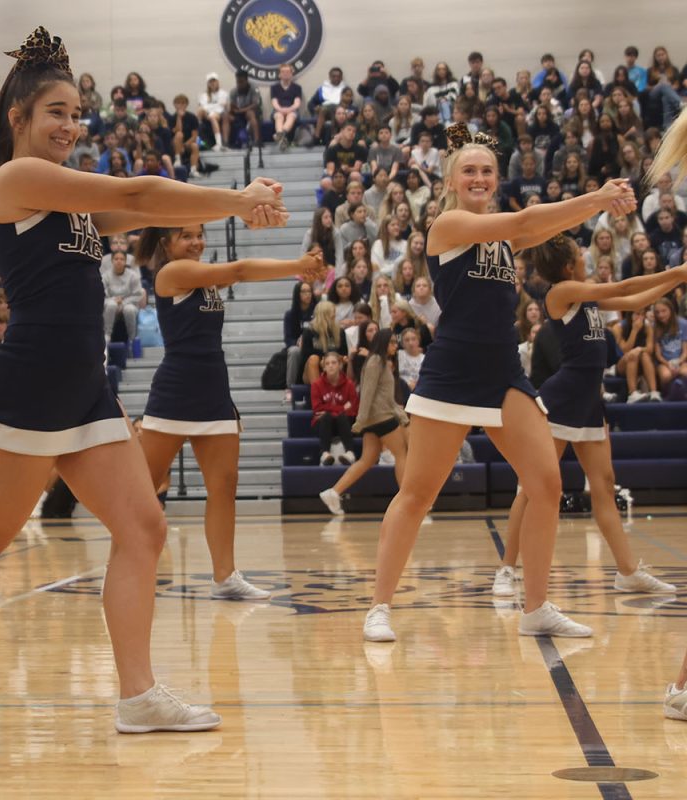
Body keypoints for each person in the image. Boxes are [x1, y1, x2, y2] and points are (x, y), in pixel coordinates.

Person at [0, 27, 286, 739]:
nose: (71, 126)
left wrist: (233, 208)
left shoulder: (70, 201)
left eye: (77, 114)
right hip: (27, 391)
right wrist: (236, 196)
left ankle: (138, 694)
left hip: (85, 389)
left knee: (143, 529)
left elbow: (147, 210)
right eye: (57, 112)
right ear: (19, 117)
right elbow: (138, 189)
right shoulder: (14, 181)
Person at [363, 123, 637, 643]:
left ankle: (536, 606)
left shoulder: (503, 235)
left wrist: (601, 206)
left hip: (504, 374)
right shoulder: (448, 224)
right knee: (418, 493)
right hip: (452, 372)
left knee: (547, 484)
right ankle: (379, 606)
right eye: (469, 170)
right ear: (451, 179)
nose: (480, 177)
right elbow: (533, 217)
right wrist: (598, 194)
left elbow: (539, 227)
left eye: (488, 171)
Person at [137, 223, 323, 596]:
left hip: (214, 391)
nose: (196, 241)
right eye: (185, 235)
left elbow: (232, 278)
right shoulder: (173, 273)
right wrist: (296, 265)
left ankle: (225, 577)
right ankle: (122, 565)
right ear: (166, 243)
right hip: (175, 391)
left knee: (224, 486)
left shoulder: (204, 278)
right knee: (142, 489)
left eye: (200, 233)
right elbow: (239, 271)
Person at [493, 236, 683, 598]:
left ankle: (627, 572)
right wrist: (676, 269)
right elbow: (625, 284)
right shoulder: (560, 294)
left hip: (589, 402)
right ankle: (506, 568)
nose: (585, 260)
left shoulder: (586, 297)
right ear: (569, 267)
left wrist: (675, 280)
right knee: (532, 488)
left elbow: (633, 299)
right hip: (560, 400)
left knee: (605, 486)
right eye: (581, 257)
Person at [319, 329, 409, 515]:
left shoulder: (382, 363)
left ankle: (333, 492)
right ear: (384, 343)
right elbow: (367, 393)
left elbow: (386, 397)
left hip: (376, 417)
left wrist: (401, 415)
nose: (395, 346)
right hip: (379, 417)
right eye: (392, 342)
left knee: (367, 460)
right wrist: (360, 420)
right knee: (402, 454)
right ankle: (408, 505)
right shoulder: (375, 361)